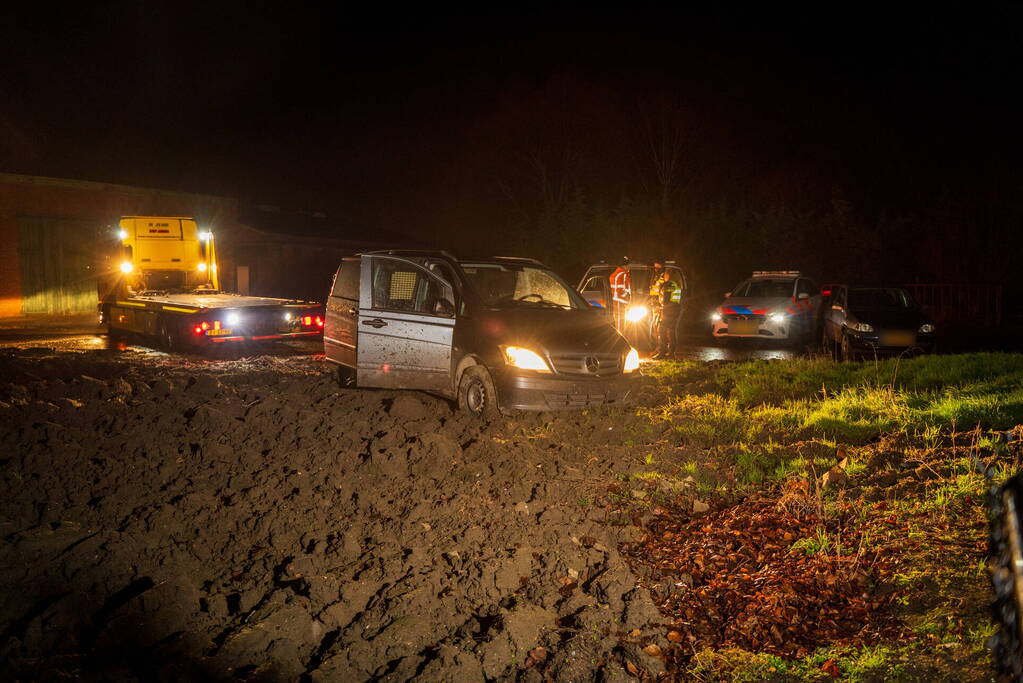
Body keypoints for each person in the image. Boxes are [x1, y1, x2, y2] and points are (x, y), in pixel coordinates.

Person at [651, 269, 682, 359]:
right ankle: (671, 353)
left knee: (662, 330)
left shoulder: (668, 284)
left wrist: (659, 307)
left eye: (664, 275)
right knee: (671, 332)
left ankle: (662, 353)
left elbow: (665, 299)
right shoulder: (675, 283)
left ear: (668, 275)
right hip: (675, 309)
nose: (663, 276)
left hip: (668, 310)